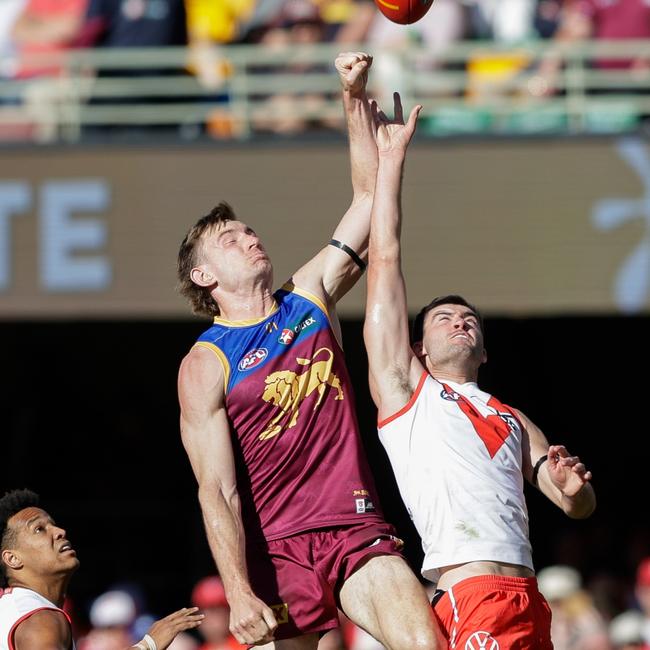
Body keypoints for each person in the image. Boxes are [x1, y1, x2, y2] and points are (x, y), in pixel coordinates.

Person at [176, 52, 445, 649]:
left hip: (354, 524)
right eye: (230, 239)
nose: (250, 237)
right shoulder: (206, 362)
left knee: (426, 643)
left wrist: (352, 98)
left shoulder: (308, 297)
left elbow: (369, 200)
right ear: (202, 278)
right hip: (276, 549)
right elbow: (215, 489)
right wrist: (238, 589)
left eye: (248, 231)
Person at [362, 91, 597, 648]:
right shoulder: (407, 394)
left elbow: (575, 506)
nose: (461, 323)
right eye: (444, 318)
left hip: (530, 600)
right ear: (416, 347)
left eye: (470, 319)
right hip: (469, 594)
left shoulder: (511, 418)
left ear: (486, 352)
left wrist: (573, 487)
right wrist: (391, 162)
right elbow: (385, 258)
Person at [0, 488, 204, 650]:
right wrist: (148, 645)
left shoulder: (15, 608)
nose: (59, 531)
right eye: (39, 529)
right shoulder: (40, 616)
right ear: (12, 558)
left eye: (53, 525)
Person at [190, 575, 244, 650]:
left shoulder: (249, 645)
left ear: (229, 612)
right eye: (201, 612)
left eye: (214, 611)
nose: (206, 618)